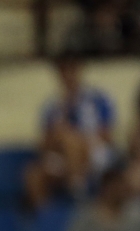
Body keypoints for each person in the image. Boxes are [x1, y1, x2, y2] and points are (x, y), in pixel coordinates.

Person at [25, 56, 116, 209]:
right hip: (63, 157)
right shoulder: (52, 106)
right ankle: (46, 220)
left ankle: (78, 196)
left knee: (69, 139)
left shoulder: (97, 99)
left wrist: (77, 139)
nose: (68, 76)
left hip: (94, 153)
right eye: (63, 71)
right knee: (34, 175)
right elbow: (43, 144)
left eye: (71, 70)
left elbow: (107, 136)